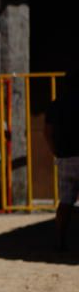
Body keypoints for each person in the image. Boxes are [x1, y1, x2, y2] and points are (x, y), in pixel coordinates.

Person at [45, 69, 79, 251]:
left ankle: (61, 239)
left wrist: (55, 152)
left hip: (65, 156)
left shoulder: (56, 105)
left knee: (65, 201)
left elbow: (48, 132)